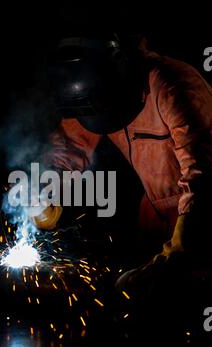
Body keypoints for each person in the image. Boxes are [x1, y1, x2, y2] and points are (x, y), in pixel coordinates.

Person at [29, 35, 212, 296]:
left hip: (200, 224)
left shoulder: (173, 85)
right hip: (156, 225)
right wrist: (46, 186)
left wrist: (182, 249)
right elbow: (71, 144)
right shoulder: (98, 88)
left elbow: (203, 174)